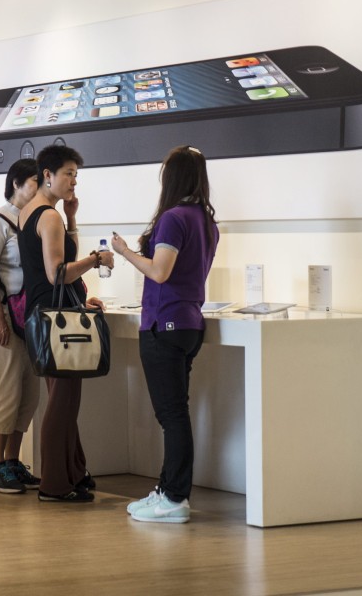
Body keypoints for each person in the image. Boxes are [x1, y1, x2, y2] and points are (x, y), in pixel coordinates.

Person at [112, 145, 218, 524]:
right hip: (188, 322)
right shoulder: (205, 220)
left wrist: (124, 251)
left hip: (165, 324)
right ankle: (167, 489)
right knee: (175, 413)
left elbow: (159, 272)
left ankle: (174, 498)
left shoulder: (174, 218)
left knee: (171, 416)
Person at [18, 144, 112, 502]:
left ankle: (72, 473)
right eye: (69, 174)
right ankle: (55, 483)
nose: (74, 181)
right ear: (47, 175)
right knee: (64, 402)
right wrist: (96, 258)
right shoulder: (49, 216)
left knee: (62, 399)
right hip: (54, 319)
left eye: (76, 174)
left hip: (43, 315)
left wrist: (73, 218)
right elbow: (57, 272)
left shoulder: (32, 212)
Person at [0, 159, 43, 494]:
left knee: (28, 395)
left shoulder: (35, 222)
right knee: (5, 393)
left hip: (28, 319)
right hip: (2, 317)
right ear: (17, 183)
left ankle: (13, 462)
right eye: (35, 180)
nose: (40, 187)